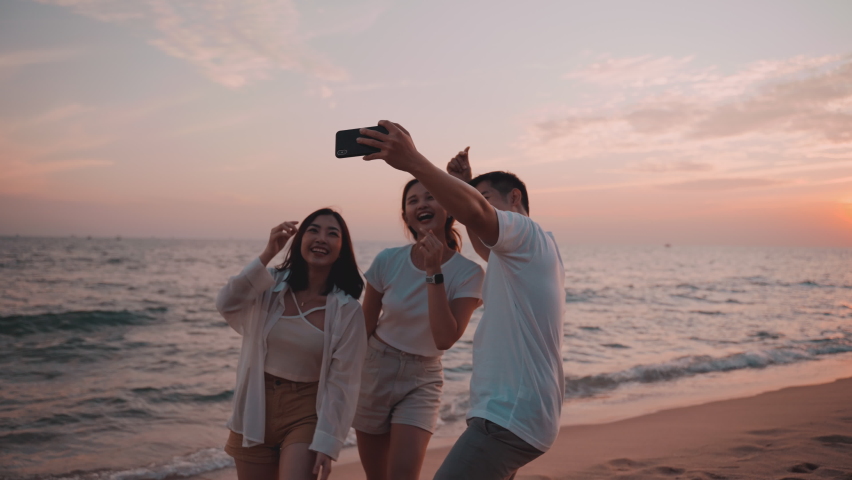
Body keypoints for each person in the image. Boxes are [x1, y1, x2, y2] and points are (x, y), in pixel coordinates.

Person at [357, 122, 565, 480]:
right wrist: (467, 186)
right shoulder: (522, 254)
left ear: (514, 198)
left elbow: (476, 217)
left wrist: (412, 161)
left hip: (508, 416)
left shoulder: (526, 233)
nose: (477, 208)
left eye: (484, 199)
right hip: (519, 414)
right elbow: (483, 237)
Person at [216, 208, 367, 480]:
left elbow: (344, 381)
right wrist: (267, 253)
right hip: (254, 403)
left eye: (332, 234)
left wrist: (329, 442)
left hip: (307, 411)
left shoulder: (347, 310)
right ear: (299, 241)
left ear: (342, 250)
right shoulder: (271, 284)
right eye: (313, 230)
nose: (321, 238)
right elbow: (227, 302)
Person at [353, 178, 485, 480]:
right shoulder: (387, 260)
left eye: (430, 197)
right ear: (406, 216)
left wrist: (433, 271)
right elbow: (364, 325)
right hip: (375, 368)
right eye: (413, 200)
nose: (422, 204)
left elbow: (444, 338)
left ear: (448, 207)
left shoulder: (469, 273)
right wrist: (339, 376)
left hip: (422, 378)